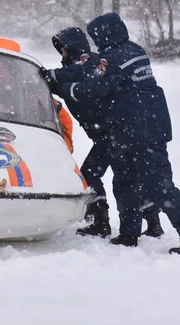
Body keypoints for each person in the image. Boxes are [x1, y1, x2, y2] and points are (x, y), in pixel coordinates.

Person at [55, 13, 180, 255]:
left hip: (136, 131)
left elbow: (93, 88)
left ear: (105, 35)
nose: (96, 43)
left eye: (96, 37)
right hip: (138, 130)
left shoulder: (112, 58)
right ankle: (129, 234)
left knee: (158, 186)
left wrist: (63, 87)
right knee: (126, 181)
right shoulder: (134, 51)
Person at [43, 27, 163, 239]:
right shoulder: (77, 67)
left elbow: (79, 72)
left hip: (113, 133)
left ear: (71, 46)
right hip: (108, 134)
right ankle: (150, 220)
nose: (61, 54)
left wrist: (50, 76)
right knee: (127, 175)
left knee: (94, 174)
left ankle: (102, 221)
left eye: (62, 49)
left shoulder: (90, 61)